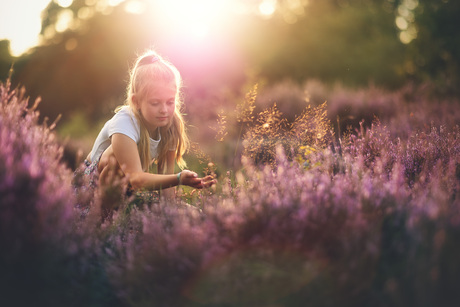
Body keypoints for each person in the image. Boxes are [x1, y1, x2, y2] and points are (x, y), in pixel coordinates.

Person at [83, 50, 215, 202]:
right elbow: (136, 179)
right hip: (90, 188)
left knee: (192, 214)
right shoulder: (124, 122)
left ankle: (125, 214)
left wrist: (170, 213)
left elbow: (166, 179)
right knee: (114, 157)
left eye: (170, 102)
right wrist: (179, 178)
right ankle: (103, 223)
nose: (164, 110)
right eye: (155, 103)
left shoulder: (170, 125)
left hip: (127, 190)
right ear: (136, 101)